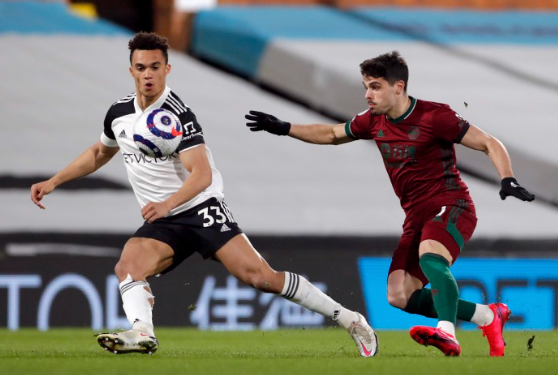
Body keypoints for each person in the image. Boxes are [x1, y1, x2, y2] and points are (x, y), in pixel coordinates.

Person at [30, 32, 378, 357]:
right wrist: (55, 181)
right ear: (131, 70)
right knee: (128, 265)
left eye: (155, 67)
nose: (148, 75)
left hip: (200, 208)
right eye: (141, 68)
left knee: (261, 278)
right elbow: (98, 153)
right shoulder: (119, 113)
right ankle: (142, 333)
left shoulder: (178, 116)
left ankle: (349, 318)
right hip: (164, 220)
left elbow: (202, 175)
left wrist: (167, 203)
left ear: (167, 69)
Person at [245, 51, 535, 357]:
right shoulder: (372, 120)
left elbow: (490, 142)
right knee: (400, 295)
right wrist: (284, 127)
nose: (368, 94)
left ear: (399, 86)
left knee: (430, 256)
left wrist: (508, 179)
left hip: (452, 203)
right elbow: (332, 133)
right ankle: (488, 316)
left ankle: (447, 332)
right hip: (415, 216)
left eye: (375, 86)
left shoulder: (436, 116)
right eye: (366, 86)